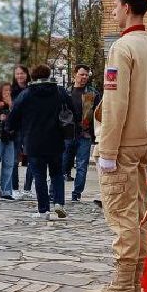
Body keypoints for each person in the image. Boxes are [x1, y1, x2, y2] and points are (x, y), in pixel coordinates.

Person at [85, 0, 147, 292]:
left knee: (120, 215)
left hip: (122, 145)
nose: (113, 12)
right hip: (144, 142)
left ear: (127, 8)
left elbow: (115, 103)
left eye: (115, 6)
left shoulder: (122, 48)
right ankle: (135, 284)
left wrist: (107, 151)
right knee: (139, 214)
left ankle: (121, 285)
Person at [6, 64, 72, 221]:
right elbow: (72, 110)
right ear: (48, 75)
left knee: (39, 176)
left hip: (34, 142)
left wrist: (11, 128)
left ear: (33, 77)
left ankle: (43, 210)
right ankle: (58, 203)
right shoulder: (59, 91)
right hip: (56, 140)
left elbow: (14, 114)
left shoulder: (27, 93)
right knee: (57, 174)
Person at [61, 64, 96, 202]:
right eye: (82, 74)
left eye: (86, 75)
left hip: (84, 134)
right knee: (62, 164)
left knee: (82, 166)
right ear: (75, 74)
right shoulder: (65, 92)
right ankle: (54, 191)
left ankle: (76, 194)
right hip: (67, 134)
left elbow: (98, 114)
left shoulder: (92, 93)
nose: (84, 77)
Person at [8, 64, 29, 199]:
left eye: (22, 73)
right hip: (16, 129)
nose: (20, 76)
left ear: (27, 75)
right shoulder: (11, 91)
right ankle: (14, 188)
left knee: (32, 159)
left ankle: (27, 189)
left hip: (29, 128)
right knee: (14, 160)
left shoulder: (31, 89)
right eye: (17, 74)